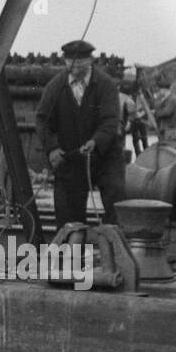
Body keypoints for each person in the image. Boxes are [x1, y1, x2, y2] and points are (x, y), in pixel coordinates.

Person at [34, 38, 125, 227]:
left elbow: (110, 119)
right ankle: (73, 253)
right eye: (70, 60)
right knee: (68, 213)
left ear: (90, 60)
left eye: (80, 60)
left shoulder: (105, 85)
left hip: (104, 156)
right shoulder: (55, 86)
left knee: (116, 196)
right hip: (71, 158)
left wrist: (97, 141)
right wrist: (52, 148)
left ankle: (113, 248)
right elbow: (43, 120)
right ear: (65, 60)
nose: (74, 64)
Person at [153, 75, 176, 140]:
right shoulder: (166, 99)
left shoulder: (171, 99)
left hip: (171, 129)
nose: (159, 92)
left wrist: (155, 112)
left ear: (164, 90)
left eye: (159, 90)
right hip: (167, 129)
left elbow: (166, 112)